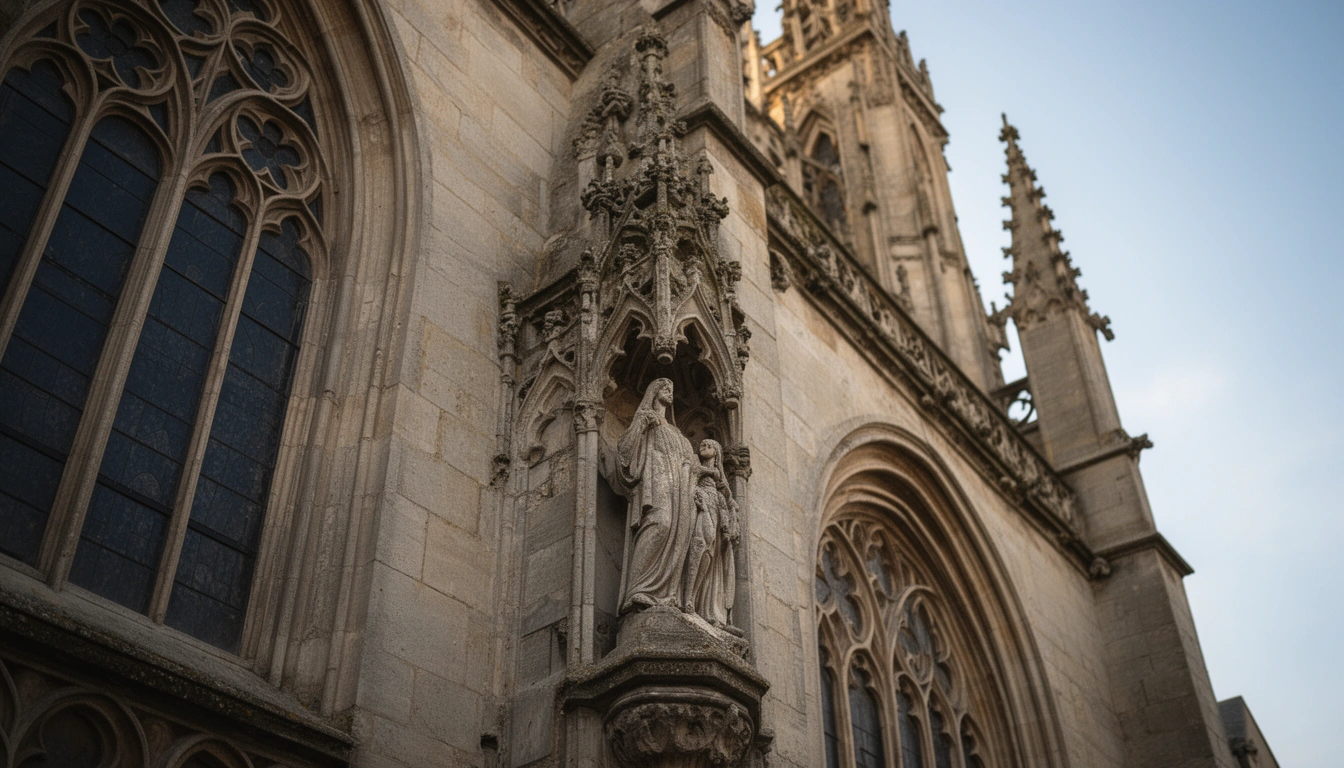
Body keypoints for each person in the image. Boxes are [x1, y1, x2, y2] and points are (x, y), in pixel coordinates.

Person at [615, 379, 698, 614]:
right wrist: (641, 424)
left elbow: (690, 461)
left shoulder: (676, 432)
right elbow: (624, 451)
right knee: (661, 522)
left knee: (681, 531)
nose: (670, 393)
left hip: (680, 485)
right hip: (656, 476)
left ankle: (668, 593)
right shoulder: (646, 419)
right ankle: (638, 588)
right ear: (653, 392)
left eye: (672, 389)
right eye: (665, 389)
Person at [685, 438, 739, 629]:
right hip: (701, 502)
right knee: (699, 545)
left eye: (709, 446)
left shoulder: (717, 476)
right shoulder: (695, 463)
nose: (704, 447)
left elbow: (726, 495)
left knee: (709, 551)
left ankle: (699, 601)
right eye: (702, 444)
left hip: (713, 504)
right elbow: (693, 474)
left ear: (717, 453)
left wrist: (727, 517)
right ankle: (688, 597)